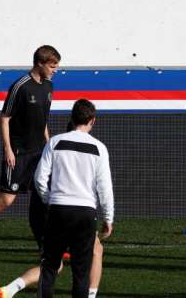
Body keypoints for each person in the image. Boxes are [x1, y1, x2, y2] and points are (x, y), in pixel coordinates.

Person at [0, 45, 61, 259]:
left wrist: (49, 146)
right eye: (53, 66)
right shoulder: (20, 86)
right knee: (7, 199)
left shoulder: (49, 87)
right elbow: (5, 118)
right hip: (18, 153)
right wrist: (8, 149)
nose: (55, 70)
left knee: (43, 198)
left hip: (39, 153)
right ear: (40, 63)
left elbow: (43, 121)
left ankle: (46, 245)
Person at [0, 118, 106, 298]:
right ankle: (91, 295)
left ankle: (10, 289)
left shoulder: (54, 147)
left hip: (41, 212)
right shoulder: (84, 152)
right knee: (95, 251)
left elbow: (38, 180)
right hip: (63, 212)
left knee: (52, 264)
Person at [34, 99, 114, 298]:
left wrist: (49, 199)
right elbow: (104, 187)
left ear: (71, 117)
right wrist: (108, 218)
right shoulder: (99, 148)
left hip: (58, 209)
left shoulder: (55, 142)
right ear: (92, 121)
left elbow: (39, 178)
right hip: (85, 212)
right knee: (81, 271)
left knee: (49, 267)